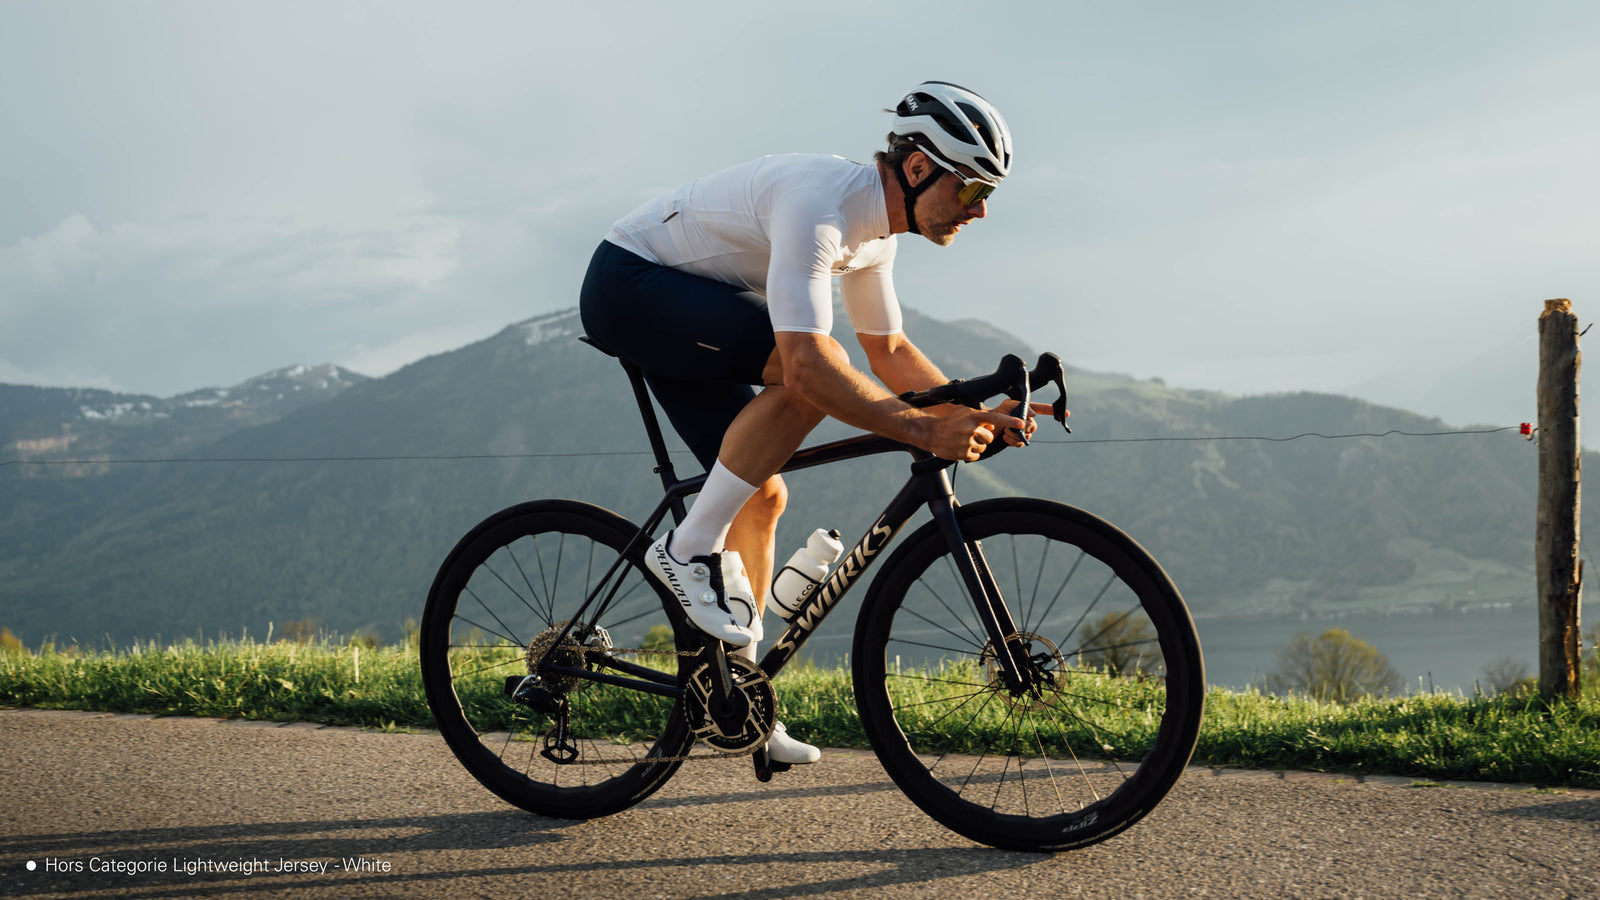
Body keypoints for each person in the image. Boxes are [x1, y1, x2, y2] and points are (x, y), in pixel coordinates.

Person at [579, 81, 1037, 765]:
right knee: (809, 378)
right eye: (972, 191)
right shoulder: (820, 205)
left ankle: (735, 698)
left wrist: (967, 415)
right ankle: (685, 550)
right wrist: (920, 430)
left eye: (988, 197)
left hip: (693, 306)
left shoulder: (877, 236)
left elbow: (889, 351)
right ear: (918, 169)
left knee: (763, 494)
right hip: (631, 288)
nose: (979, 212)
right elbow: (805, 365)